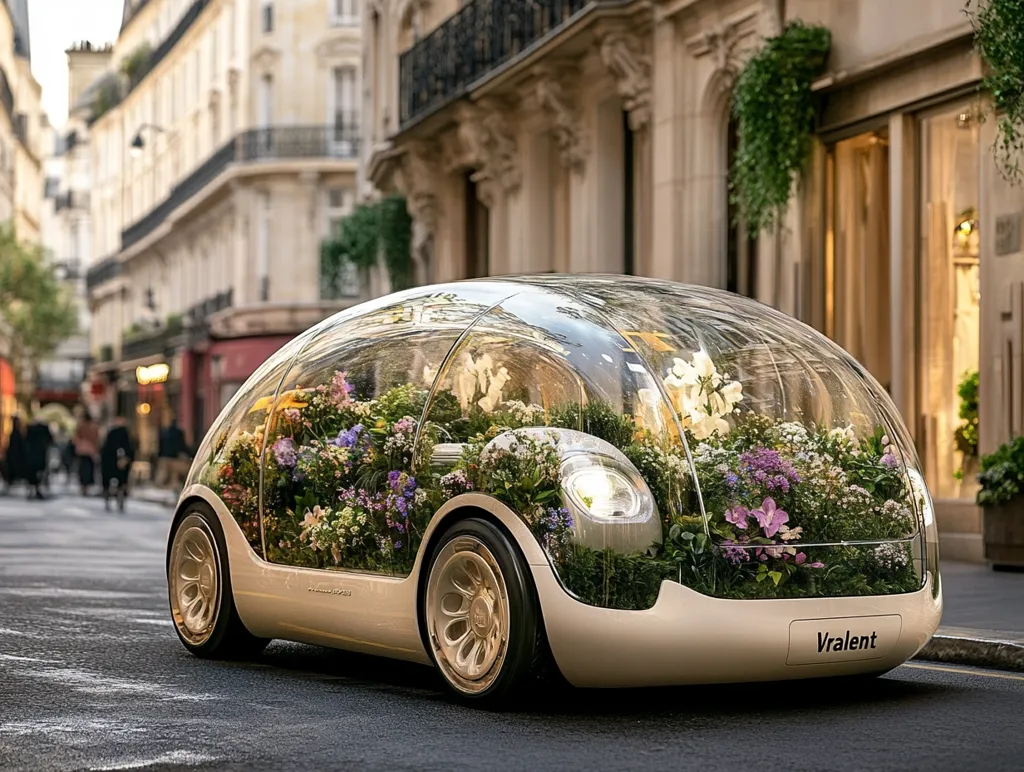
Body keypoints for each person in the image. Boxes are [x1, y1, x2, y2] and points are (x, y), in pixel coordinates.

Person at [100, 415, 134, 511]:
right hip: (114, 460)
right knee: (121, 481)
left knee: (113, 481)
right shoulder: (122, 433)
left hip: (112, 460)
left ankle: (112, 500)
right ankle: (117, 500)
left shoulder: (116, 433)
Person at [157, 417, 191, 490]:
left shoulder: (165, 432)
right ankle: (172, 490)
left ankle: (162, 490)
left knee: (163, 476)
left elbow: (160, 445)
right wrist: (190, 454)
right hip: (174, 457)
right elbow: (181, 445)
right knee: (174, 475)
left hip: (164, 456)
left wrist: (160, 455)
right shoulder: (179, 433)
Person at [24, 418, 54, 500]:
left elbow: (26, 440)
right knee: (40, 471)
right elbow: (50, 440)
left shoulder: (30, 429)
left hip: (31, 453)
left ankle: (31, 489)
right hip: (41, 452)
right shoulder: (44, 429)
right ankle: (38, 489)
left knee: (31, 472)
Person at [72, 414, 100, 496]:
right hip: (91, 451)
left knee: (82, 468)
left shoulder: (81, 426)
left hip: (82, 449)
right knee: (89, 468)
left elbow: (76, 437)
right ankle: (86, 486)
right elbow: (96, 439)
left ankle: (83, 486)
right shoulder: (94, 428)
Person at [2, 416, 27, 494]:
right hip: (14, 454)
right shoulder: (16, 432)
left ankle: (10, 482)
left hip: (16, 455)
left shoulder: (17, 432)